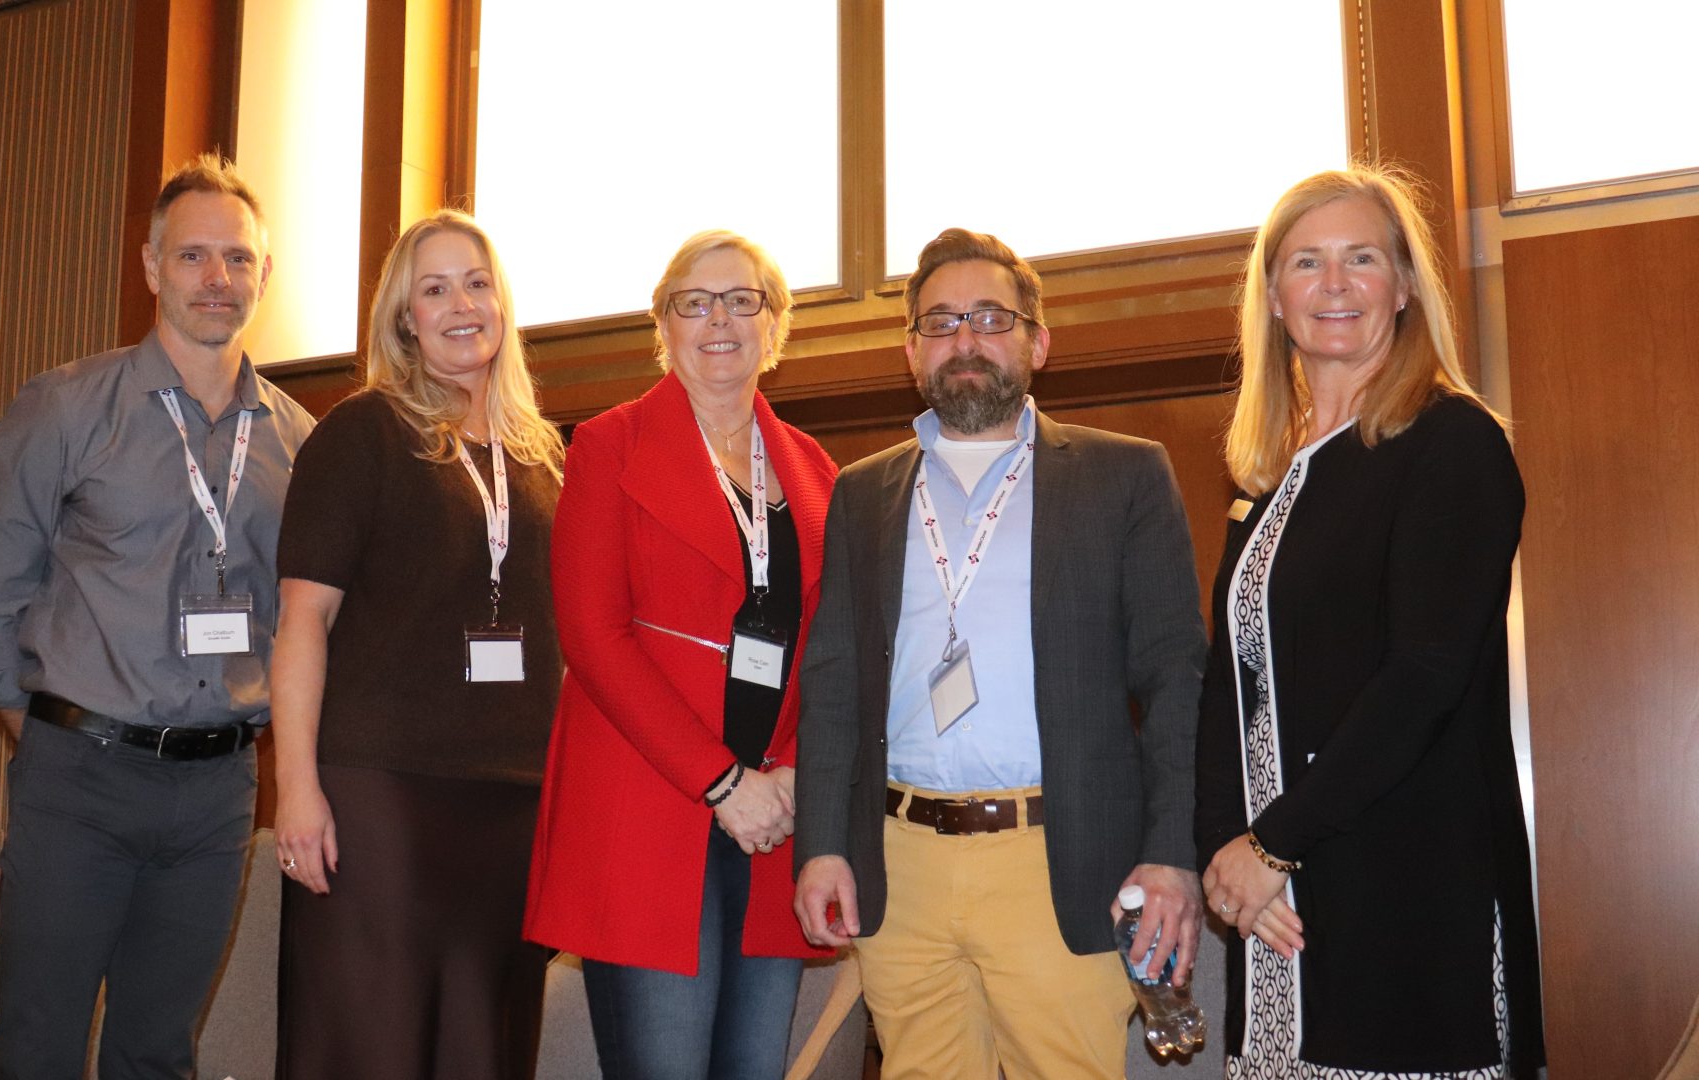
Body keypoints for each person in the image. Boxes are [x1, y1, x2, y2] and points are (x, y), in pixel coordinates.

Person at [791, 227, 1209, 1078]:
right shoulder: (862, 491)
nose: (966, 339)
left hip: (1061, 860)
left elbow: (1176, 677)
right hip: (897, 862)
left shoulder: (1123, 476)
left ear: (1036, 340)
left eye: (989, 316)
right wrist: (821, 844)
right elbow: (832, 680)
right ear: (912, 353)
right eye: (940, 323)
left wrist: (1172, 852)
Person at [0, 154, 314, 1079]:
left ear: (263, 276)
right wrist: (35, 733)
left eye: (237, 259)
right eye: (193, 257)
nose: (216, 279)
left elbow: (299, 616)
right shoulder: (66, 406)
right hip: (80, 777)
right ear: (151, 267)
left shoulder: (298, 441)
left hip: (219, 792)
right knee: (38, 1046)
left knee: (158, 1051)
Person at [1193, 165, 1544, 1078]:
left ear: (1405, 287)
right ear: (1273, 297)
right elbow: (1227, 687)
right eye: (1307, 262)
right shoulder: (1269, 479)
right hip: (1279, 906)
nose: (1335, 284)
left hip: (1404, 893)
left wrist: (1275, 841)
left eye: (1362, 258)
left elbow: (1423, 676)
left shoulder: (1453, 443)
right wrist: (1227, 855)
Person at [523, 231, 837, 1078]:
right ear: (662, 326)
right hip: (650, 808)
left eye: (743, 300)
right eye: (694, 303)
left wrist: (793, 780)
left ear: (776, 326)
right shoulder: (608, 445)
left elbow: (833, 652)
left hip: (774, 817)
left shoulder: (816, 471)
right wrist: (721, 781)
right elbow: (593, 636)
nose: (719, 320)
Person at [269, 210, 565, 1078]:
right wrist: (295, 790)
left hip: (512, 806)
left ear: (502, 306)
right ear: (405, 319)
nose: (460, 304)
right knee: (376, 1044)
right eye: (433, 289)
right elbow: (301, 624)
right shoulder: (360, 432)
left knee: (485, 1047)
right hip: (383, 800)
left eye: (476, 283)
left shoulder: (543, 458)